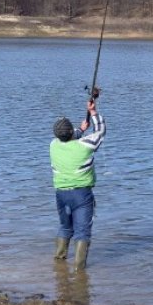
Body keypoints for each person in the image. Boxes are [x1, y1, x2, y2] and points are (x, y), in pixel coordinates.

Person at [50, 99, 106, 271]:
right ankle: (79, 270)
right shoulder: (84, 146)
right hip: (82, 195)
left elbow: (70, 135)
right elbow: (100, 132)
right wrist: (94, 112)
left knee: (65, 227)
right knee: (82, 232)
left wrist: (81, 129)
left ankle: (59, 263)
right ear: (70, 132)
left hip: (61, 194)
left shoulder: (53, 145)